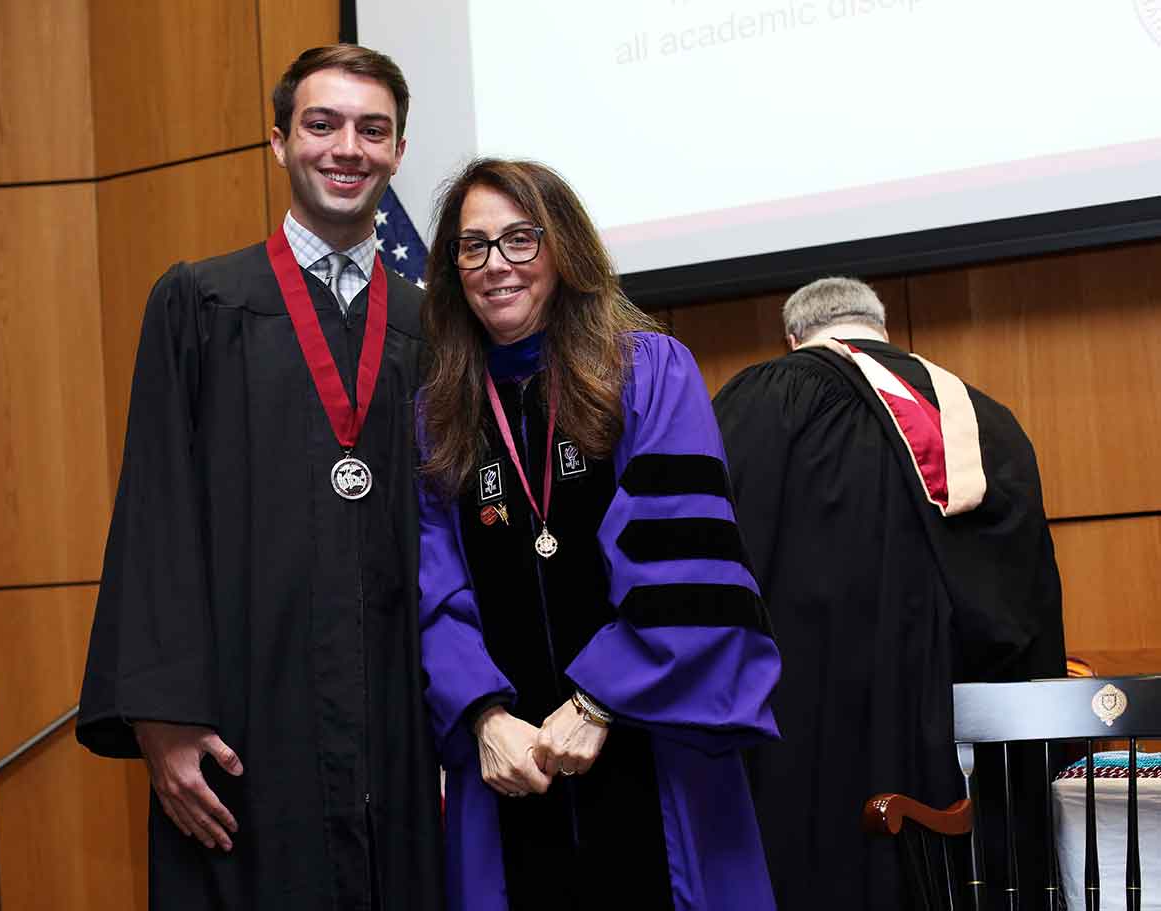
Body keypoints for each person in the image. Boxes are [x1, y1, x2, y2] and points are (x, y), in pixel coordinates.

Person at [76, 44, 443, 909]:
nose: (347, 147)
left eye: (372, 129)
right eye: (322, 124)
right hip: (245, 721)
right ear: (278, 141)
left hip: (401, 719)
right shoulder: (200, 303)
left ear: (396, 151)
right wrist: (160, 718)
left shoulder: (433, 324)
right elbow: (155, 515)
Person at [416, 157, 782, 910]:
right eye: (473, 246)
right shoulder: (438, 417)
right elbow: (433, 585)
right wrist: (484, 715)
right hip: (510, 767)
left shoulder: (647, 371)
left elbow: (686, 557)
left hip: (652, 751)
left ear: (565, 250)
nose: (497, 265)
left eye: (522, 240)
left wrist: (598, 703)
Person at [712, 277, 1066, 910]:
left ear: (795, 338)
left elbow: (716, 562)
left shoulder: (767, 397)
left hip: (812, 730)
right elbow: (1026, 609)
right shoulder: (985, 421)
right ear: (881, 328)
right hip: (963, 744)